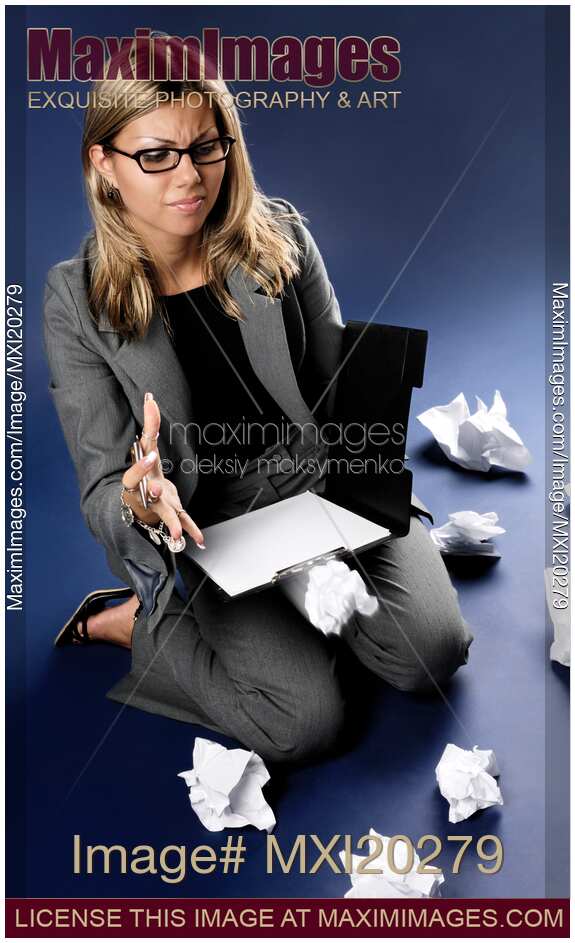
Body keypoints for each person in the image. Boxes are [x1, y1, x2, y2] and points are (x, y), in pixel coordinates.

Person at [43, 50, 474, 767]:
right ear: (104, 164)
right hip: (215, 525)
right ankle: (135, 626)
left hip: (319, 485)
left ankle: (310, 608)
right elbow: (100, 487)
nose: (189, 175)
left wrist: (366, 484)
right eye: (156, 156)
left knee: (432, 655)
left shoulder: (279, 235)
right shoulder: (75, 300)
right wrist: (142, 498)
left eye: (205, 147)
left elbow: (338, 394)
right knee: (304, 724)